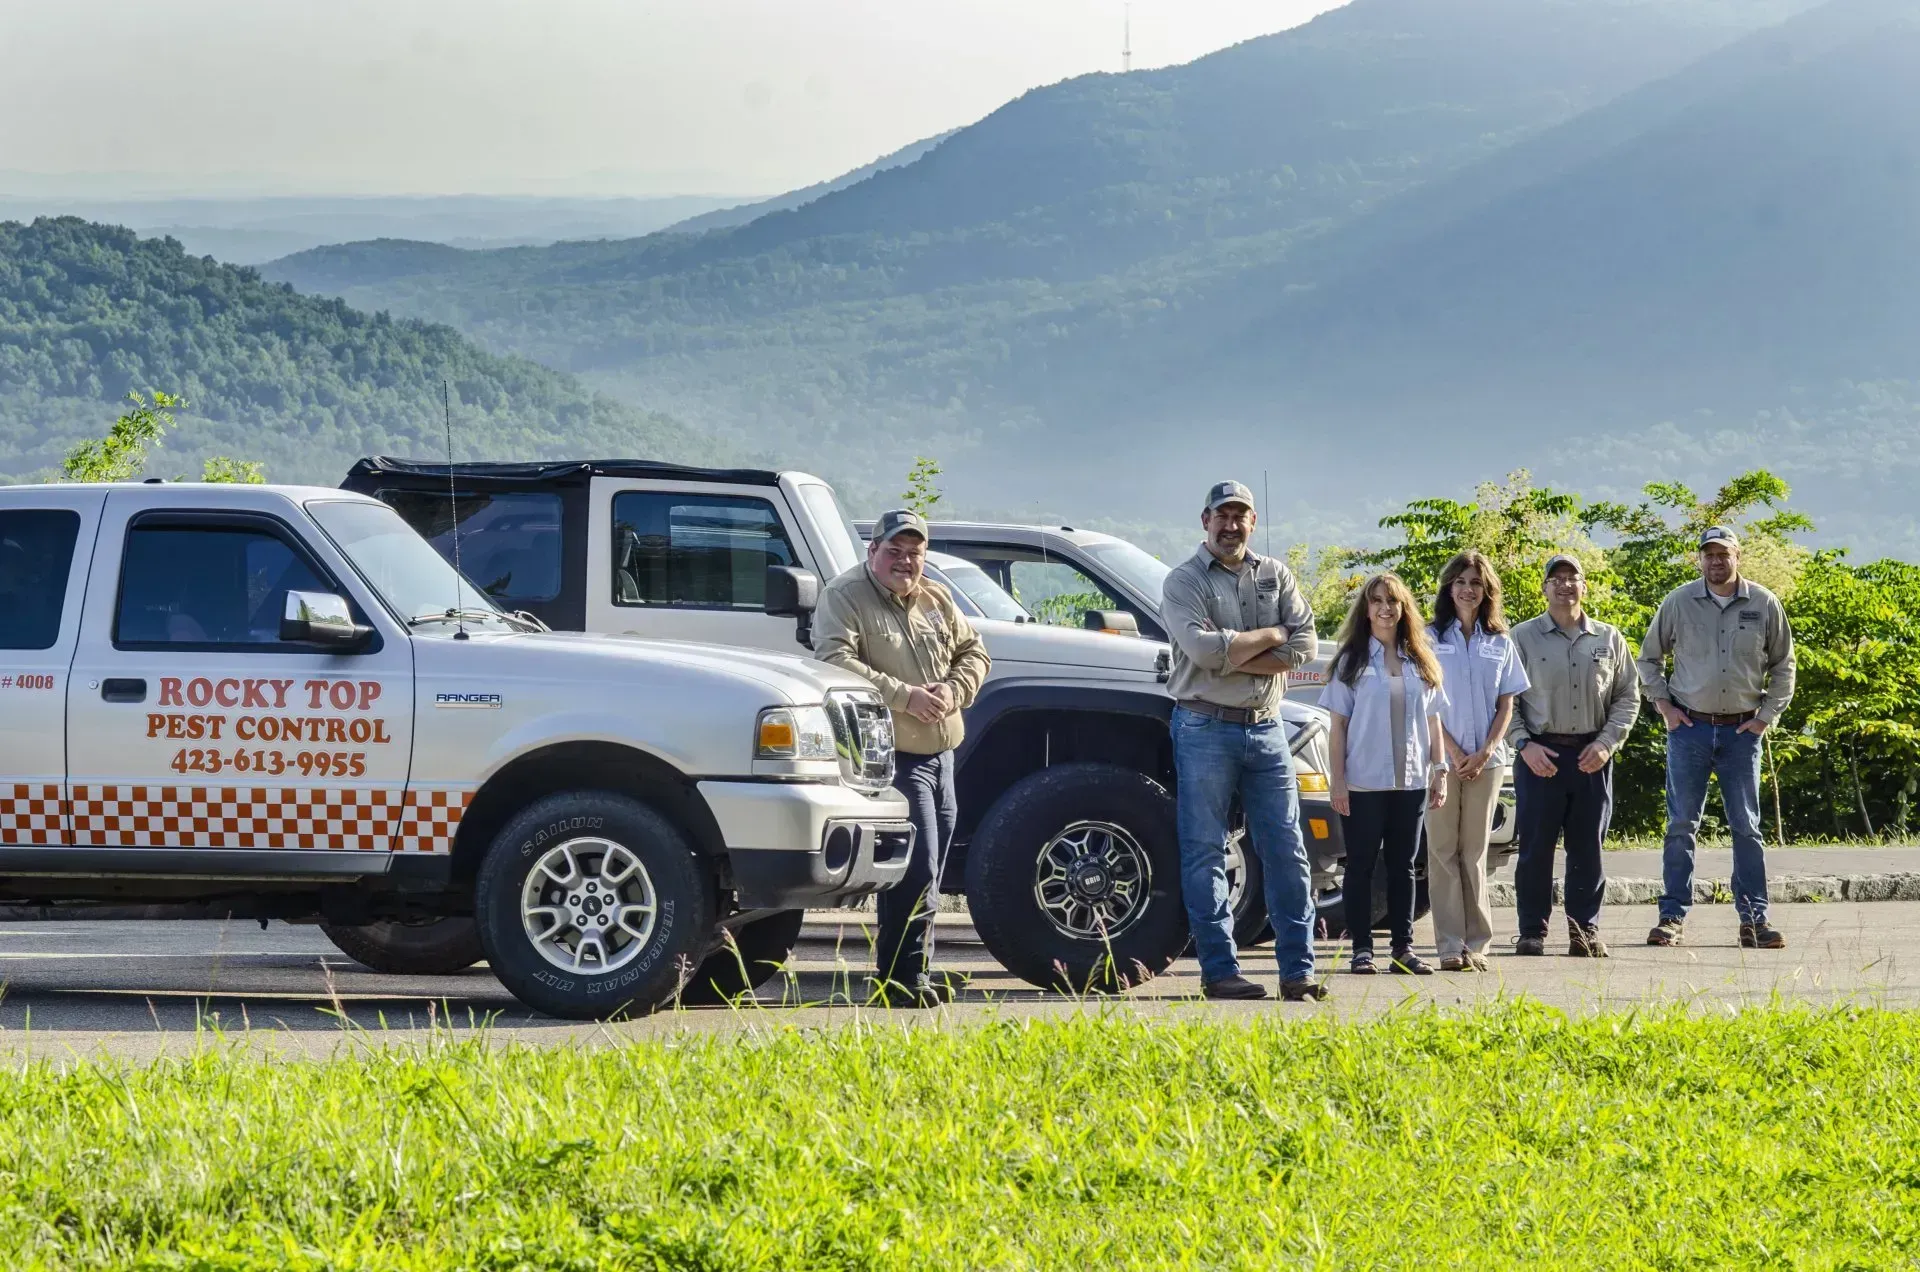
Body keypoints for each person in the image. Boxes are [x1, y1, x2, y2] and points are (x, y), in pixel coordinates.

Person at [814, 508, 992, 1006]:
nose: (904, 560)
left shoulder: (936, 596)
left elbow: (975, 651)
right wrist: (904, 695)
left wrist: (955, 690)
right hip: (893, 759)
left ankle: (913, 972)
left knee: (930, 872)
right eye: (894, 550)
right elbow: (833, 661)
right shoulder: (844, 596)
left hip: (943, 754)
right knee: (916, 868)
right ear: (873, 551)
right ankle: (900, 980)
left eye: (914, 552)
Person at [1160, 480, 1326, 1002]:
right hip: (1203, 726)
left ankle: (1298, 972)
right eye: (1222, 516)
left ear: (1252, 522)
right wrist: (1272, 635)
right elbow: (1204, 652)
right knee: (1205, 850)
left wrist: (1236, 650)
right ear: (1204, 519)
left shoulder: (1276, 574)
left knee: (1287, 849)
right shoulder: (1182, 582)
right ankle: (1219, 972)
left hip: (1268, 726)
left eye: (1241, 516)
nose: (1231, 525)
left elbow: (1308, 643)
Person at [1635, 526, 1796, 950]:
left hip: (1743, 733)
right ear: (1699, 559)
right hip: (1689, 728)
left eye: (1723, 554)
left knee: (1746, 828)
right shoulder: (1679, 602)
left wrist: (1765, 718)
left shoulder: (1763, 603)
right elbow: (1648, 659)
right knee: (1681, 825)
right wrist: (1665, 707)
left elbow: (1784, 665)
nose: (1715, 561)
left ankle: (1755, 921)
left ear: (1737, 556)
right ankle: (1671, 917)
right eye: (1708, 554)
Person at [1506, 555, 1640, 956]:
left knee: (1588, 849)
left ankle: (1585, 932)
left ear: (1585, 586)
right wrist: (1523, 744)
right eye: (1556, 579)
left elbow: (1627, 696)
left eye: (1572, 578)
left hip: (1592, 756)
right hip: (1539, 756)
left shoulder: (1608, 638)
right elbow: (1504, 700)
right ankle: (1532, 930)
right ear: (1544, 588)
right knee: (1534, 849)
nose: (1565, 585)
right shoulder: (1522, 637)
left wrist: (1606, 743)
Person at [1321, 573, 1449, 976]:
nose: (1384, 608)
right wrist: (1337, 781)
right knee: (1359, 865)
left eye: (1392, 601)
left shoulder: (1420, 660)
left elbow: (1433, 722)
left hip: (1409, 781)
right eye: (1376, 601)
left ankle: (1403, 948)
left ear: (1403, 608)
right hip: (1363, 782)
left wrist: (1440, 771)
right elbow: (1338, 727)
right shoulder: (1351, 661)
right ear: (1366, 608)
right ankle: (1361, 949)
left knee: (1404, 865)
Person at [1426, 552, 1529, 972]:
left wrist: (1487, 749)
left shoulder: (1500, 642)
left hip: (1487, 762)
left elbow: (1508, 702)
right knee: (1442, 850)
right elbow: (1427, 703)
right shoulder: (1429, 637)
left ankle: (1478, 944)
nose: (1468, 589)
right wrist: (1452, 752)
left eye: (1476, 583)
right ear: (1449, 588)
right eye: (1461, 581)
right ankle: (1449, 945)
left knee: (1475, 852)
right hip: (1442, 761)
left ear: (1487, 591)